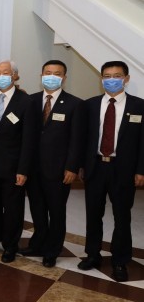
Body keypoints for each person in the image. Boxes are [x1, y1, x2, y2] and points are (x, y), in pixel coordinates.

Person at [78, 61, 144, 282]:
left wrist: (141, 170)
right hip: (96, 166)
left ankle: (120, 261)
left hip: (123, 169)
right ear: (101, 79)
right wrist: (81, 166)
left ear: (126, 78)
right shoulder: (89, 105)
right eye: (107, 75)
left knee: (122, 217)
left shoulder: (139, 106)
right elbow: (83, 139)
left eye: (117, 75)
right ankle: (93, 255)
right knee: (93, 215)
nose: (111, 79)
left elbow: (143, 142)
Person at [21, 60, 84, 268]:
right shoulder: (30, 101)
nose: (51, 76)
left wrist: (72, 167)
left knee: (56, 212)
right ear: (41, 75)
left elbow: (77, 139)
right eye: (48, 72)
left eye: (57, 73)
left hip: (58, 170)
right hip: (33, 168)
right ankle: (38, 243)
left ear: (64, 78)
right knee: (38, 209)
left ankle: (52, 250)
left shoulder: (75, 104)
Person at [0, 60, 38, 263]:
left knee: (12, 209)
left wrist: (23, 169)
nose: (1, 75)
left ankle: (10, 245)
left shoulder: (26, 101)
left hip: (13, 168)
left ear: (15, 76)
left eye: (6, 72)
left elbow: (29, 139)